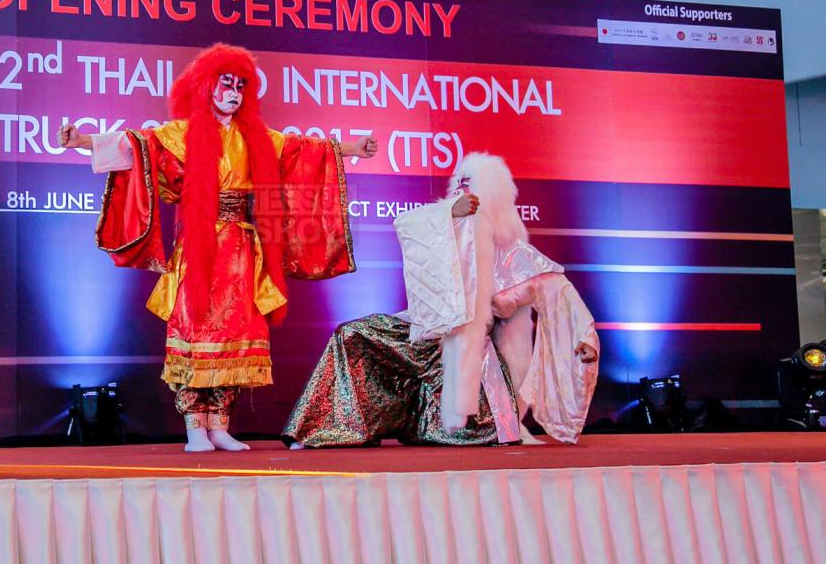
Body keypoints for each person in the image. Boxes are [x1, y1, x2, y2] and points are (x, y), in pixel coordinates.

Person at [60, 44, 377, 452]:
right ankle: (195, 427)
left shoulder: (255, 137)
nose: (234, 93)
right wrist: (81, 141)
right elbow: (133, 146)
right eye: (226, 84)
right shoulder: (181, 134)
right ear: (207, 87)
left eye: (240, 86)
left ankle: (220, 426)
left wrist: (352, 149)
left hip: (240, 252)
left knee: (235, 333)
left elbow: (302, 150)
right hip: (199, 249)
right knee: (196, 330)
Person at [283, 152, 598, 448]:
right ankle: (332, 431)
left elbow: (558, 290)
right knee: (351, 335)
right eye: (461, 187)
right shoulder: (443, 230)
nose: (465, 193)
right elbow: (407, 224)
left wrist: (586, 336)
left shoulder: (514, 255)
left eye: (472, 189)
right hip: (422, 333)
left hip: (467, 352)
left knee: (451, 429)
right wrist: (450, 213)